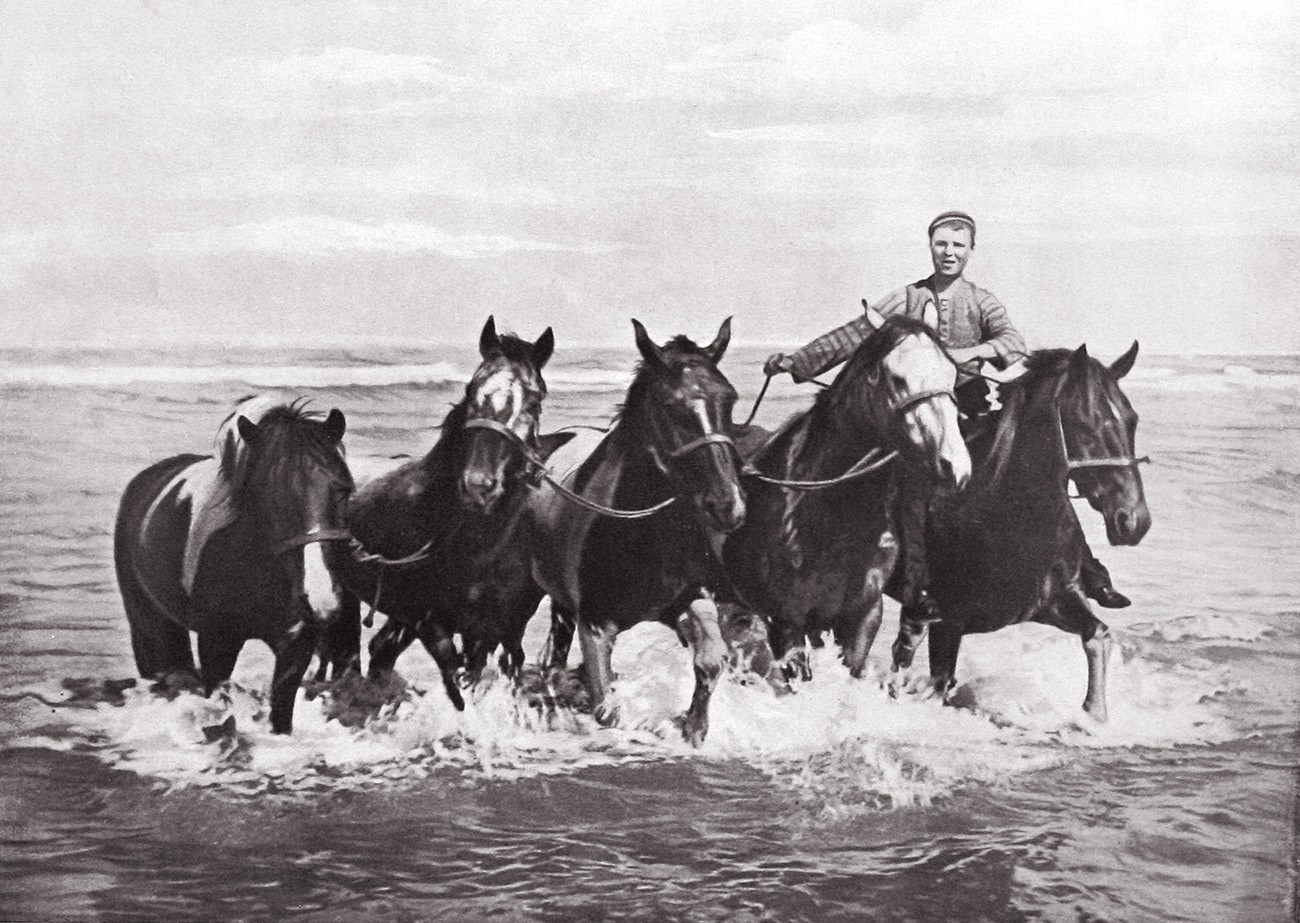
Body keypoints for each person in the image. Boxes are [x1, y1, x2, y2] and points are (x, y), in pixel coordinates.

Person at [763, 211, 1131, 611]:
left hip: (970, 411)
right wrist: (798, 361)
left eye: (958, 245)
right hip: (918, 419)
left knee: (1036, 475)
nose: (949, 252)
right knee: (905, 490)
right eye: (941, 244)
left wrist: (972, 351)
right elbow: (856, 334)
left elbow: (1012, 341)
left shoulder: (981, 301)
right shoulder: (907, 298)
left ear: (971, 251)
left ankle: (1090, 573)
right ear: (931, 247)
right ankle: (917, 587)